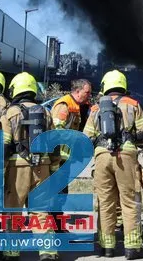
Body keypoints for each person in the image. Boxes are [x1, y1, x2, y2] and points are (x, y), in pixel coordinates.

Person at [84, 70, 143, 259]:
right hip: (126, 156)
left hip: (102, 157)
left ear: (105, 86)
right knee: (129, 202)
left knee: (105, 203)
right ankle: (133, 247)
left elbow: (87, 137)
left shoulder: (96, 109)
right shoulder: (133, 104)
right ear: (123, 86)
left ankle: (107, 247)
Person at [1, 72, 60, 260]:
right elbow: (54, 144)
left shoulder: (9, 113)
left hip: (17, 167)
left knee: (13, 209)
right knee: (40, 211)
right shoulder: (45, 112)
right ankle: (48, 252)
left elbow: (3, 146)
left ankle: (11, 252)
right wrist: (53, 168)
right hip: (42, 165)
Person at [50, 79, 92, 228]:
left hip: (66, 158)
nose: (89, 95)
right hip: (57, 158)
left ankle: (57, 224)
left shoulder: (79, 107)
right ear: (77, 91)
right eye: (87, 92)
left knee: (62, 191)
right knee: (58, 192)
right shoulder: (64, 105)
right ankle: (55, 226)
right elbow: (57, 131)